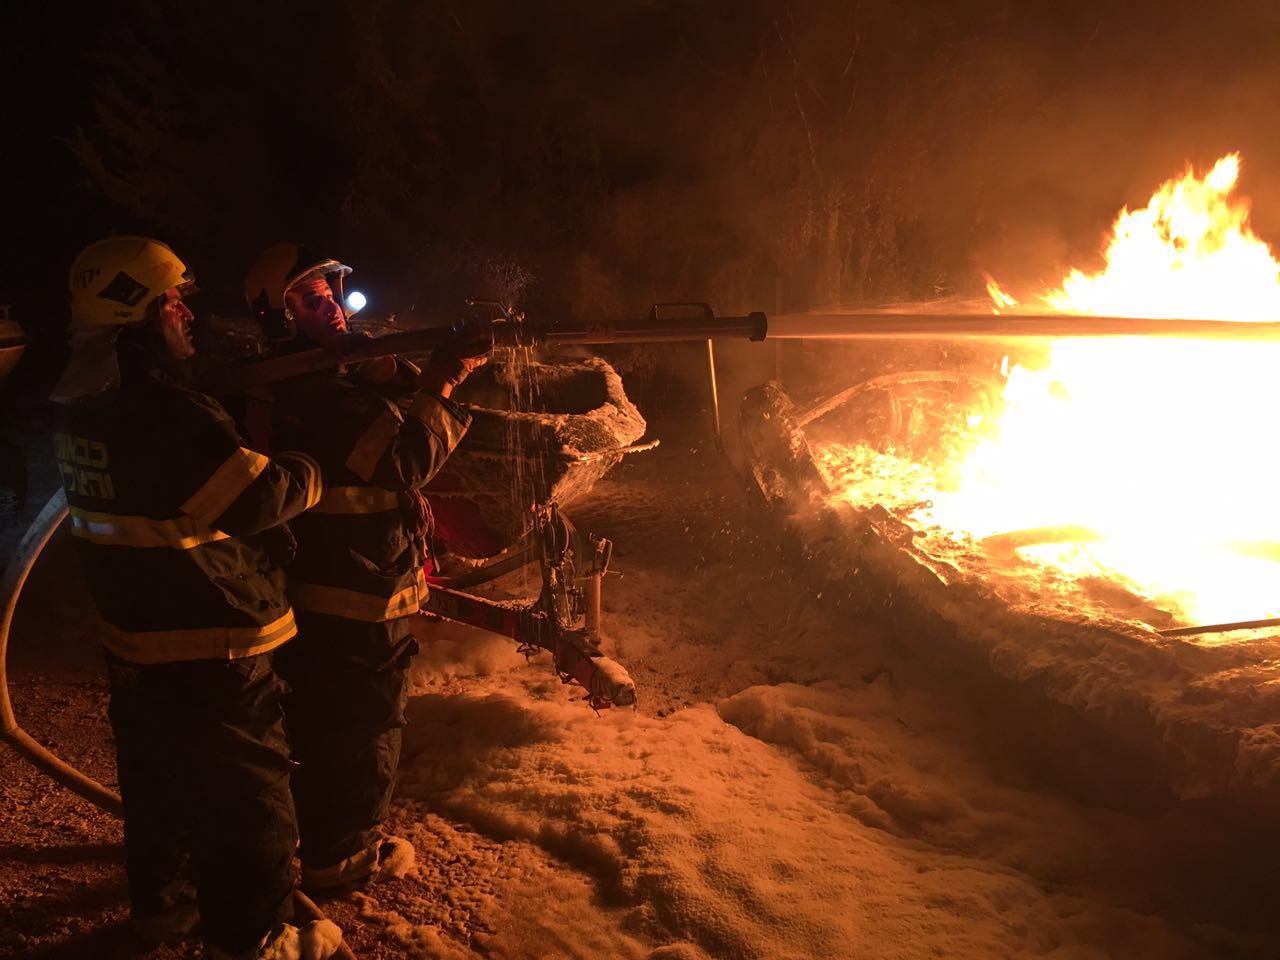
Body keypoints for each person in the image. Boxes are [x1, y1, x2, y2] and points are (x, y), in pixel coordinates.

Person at [52, 236, 341, 960]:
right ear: (139, 313)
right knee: (248, 798)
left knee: (160, 788)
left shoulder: (80, 402)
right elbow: (257, 499)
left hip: (137, 641)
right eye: (171, 301)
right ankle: (258, 938)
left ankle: (165, 914)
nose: (185, 314)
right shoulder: (168, 410)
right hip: (215, 639)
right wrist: (309, 466)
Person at [242, 244, 488, 893]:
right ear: (279, 317)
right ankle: (344, 859)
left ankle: (311, 835)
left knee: (319, 722)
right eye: (310, 301)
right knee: (362, 726)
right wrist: (445, 379)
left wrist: (386, 370)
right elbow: (406, 460)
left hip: (316, 587)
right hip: (356, 592)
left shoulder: (298, 380)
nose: (332, 310)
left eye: (332, 296)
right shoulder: (319, 393)